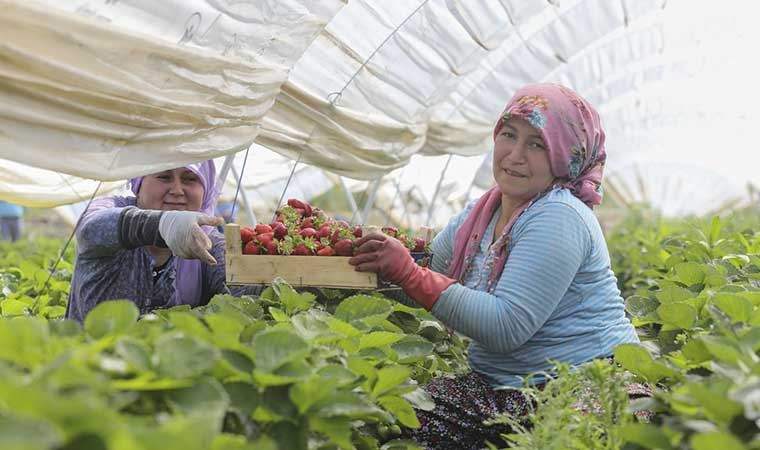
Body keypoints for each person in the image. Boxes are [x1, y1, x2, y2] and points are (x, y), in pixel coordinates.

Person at [349, 84, 647, 449]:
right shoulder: (481, 214)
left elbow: (506, 326)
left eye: (536, 144)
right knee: (399, 421)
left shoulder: (560, 215)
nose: (515, 155)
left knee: (578, 440)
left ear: (565, 156)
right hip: (500, 387)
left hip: (587, 380)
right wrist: (358, 260)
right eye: (509, 135)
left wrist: (408, 272)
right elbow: (423, 282)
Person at [66, 160, 256, 323]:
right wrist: (162, 224)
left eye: (190, 179)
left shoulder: (207, 242)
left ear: (205, 190)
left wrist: (265, 273)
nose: (177, 190)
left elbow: (242, 298)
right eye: (164, 177)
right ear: (139, 184)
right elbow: (91, 230)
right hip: (87, 360)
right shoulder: (110, 209)